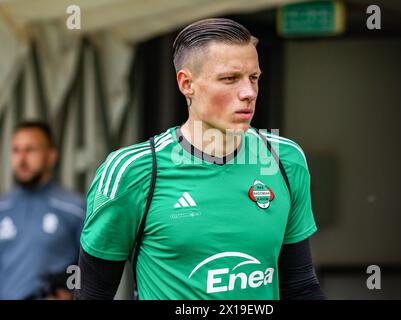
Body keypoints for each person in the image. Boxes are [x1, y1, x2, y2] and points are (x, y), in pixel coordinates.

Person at [76, 18, 325, 300]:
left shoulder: (285, 159)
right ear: (187, 83)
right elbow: (93, 293)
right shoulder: (132, 171)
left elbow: (300, 285)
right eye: (230, 79)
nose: (248, 93)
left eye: (253, 78)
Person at [0, 121, 85, 300]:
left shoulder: (74, 208)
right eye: (16, 150)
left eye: (30, 150)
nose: (21, 159)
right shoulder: (2, 207)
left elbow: (91, 266)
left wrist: (70, 292)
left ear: (51, 156)